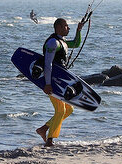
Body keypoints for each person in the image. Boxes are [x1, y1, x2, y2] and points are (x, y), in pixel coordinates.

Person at [35, 15, 87, 146]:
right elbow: (48, 63)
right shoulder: (53, 43)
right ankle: (50, 140)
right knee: (60, 110)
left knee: (68, 110)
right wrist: (47, 84)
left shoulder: (61, 42)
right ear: (58, 27)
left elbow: (76, 44)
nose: (68, 28)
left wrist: (79, 30)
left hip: (60, 80)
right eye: (65, 26)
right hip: (52, 81)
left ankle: (44, 129)